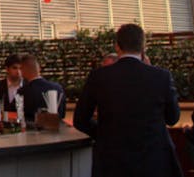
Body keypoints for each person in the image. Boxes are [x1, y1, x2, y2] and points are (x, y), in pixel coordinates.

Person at [73, 23, 182, 177]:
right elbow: (173, 118)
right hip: (153, 159)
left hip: (112, 160)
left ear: (117, 46)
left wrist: (105, 133)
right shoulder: (161, 76)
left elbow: (80, 119)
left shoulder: (99, 77)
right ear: (143, 47)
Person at [20, 54, 66, 123]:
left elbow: (20, 116)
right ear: (39, 69)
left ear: (23, 70)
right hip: (57, 130)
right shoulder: (58, 88)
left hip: (32, 132)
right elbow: (62, 114)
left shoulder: (22, 92)